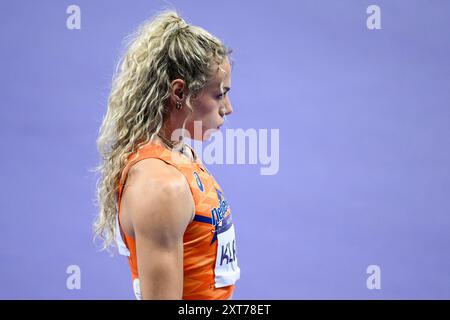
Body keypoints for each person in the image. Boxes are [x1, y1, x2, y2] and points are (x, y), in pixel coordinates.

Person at [94, 9, 240, 300]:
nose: (228, 108)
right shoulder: (161, 186)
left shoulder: (178, 153)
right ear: (179, 93)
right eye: (219, 95)